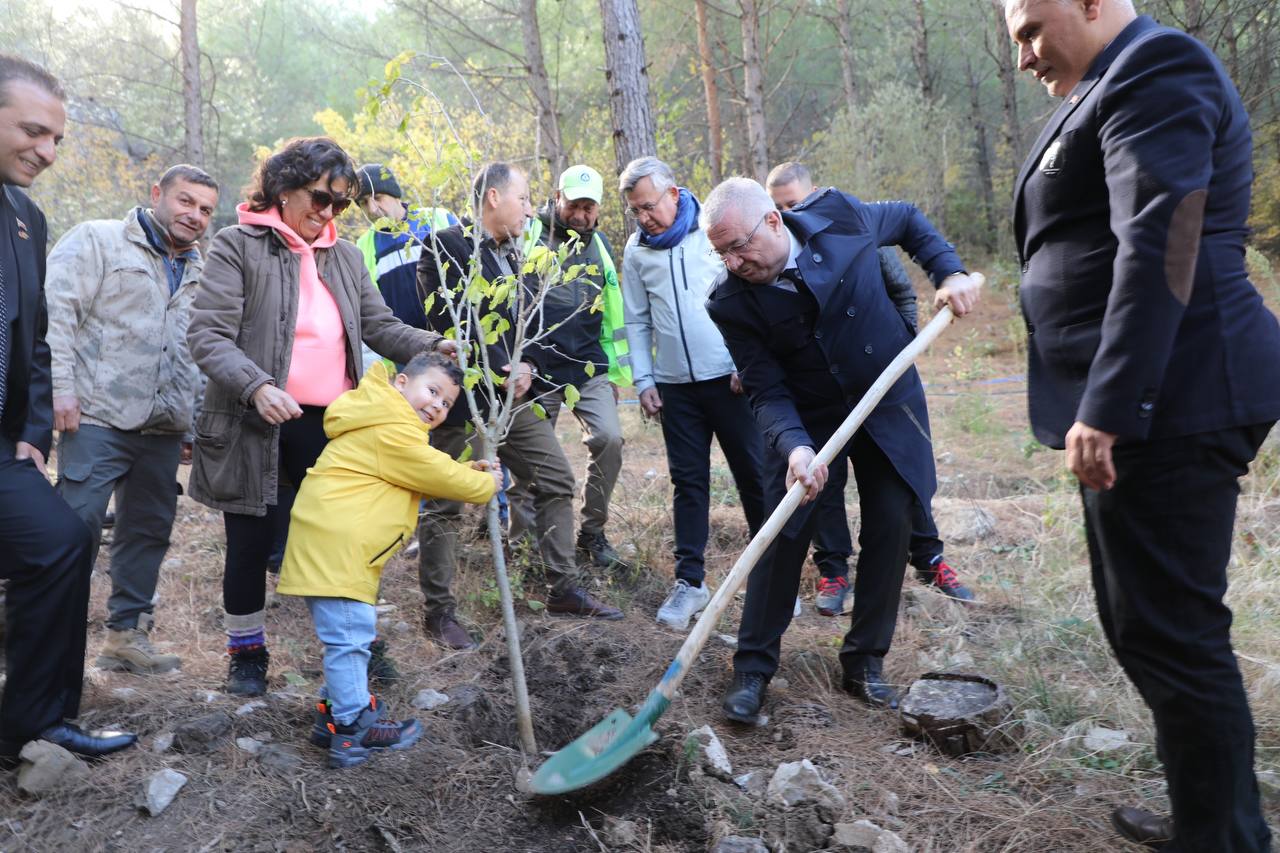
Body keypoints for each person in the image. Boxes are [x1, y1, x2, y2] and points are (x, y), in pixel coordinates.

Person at [1005, 1, 1280, 849]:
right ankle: (1210, 816)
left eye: (1030, 30)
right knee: (1147, 625)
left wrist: (1111, 404)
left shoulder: (1158, 69)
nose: (1024, 57)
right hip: (1157, 406)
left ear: (1091, 2)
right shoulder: (1106, 85)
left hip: (1177, 399)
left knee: (1175, 632)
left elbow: (1164, 238)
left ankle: (1226, 838)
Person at [701, 177, 981, 722]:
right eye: (721, 252)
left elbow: (905, 217)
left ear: (774, 222)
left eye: (739, 246)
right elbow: (764, 388)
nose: (733, 262)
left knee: (892, 521)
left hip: (884, 396)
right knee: (782, 534)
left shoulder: (839, 216)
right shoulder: (730, 303)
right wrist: (797, 450)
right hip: (807, 418)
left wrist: (947, 270)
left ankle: (864, 663)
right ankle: (753, 669)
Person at [187, 136, 447, 697]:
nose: (328, 213)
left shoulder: (345, 257)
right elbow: (207, 335)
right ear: (283, 189)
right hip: (254, 418)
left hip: (332, 425)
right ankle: (247, 655)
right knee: (251, 541)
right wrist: (256, 386)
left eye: (341, 204)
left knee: (344, 537)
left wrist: (434, 344)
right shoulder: (237, 246)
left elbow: (380, 327)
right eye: (320, 198)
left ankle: (359, 646)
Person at [415, 161, 623, 651]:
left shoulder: (523, 252)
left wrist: (527, 362)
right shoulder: (448, 246)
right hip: (462, 399)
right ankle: (439, 612)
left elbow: (527, 320)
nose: (531, 210)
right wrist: (502, 366)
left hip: (511, 400)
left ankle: (563, 587)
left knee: (554, 477)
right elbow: (451, 326)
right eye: (524, 199)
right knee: (444, 504)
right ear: (493, 199)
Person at [0, 54, 136, 760]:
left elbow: (35, 334)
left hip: (5, 449)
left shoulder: (24, 216)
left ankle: (33, 724)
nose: (48, 152)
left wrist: (31, 431)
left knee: (62, 541)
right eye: (33, 131)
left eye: (57, 137)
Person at [766, 161, 975, 612]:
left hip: (881, 379)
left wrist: (899, 347)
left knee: (901, 474)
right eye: (781, 208)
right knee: (826, 479)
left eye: (797, 202)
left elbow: (899, 291)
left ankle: (928, 555)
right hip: (824, 392)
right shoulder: (780, 261)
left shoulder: (851, 230)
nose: (791, 213)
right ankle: (834, 571)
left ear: (816, 193)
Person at [277, 353, 501, 768]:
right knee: (349, 638)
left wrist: (468, 467)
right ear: (401, 383)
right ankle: (352, 729)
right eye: (432, 391)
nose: (437, 405)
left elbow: (422, 469)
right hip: (340, 551)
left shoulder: (385, 420)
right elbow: (435, 474)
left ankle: (333, 715)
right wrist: (484, 483)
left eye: (447, 403)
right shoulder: (392, 427)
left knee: (346, 639)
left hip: (335, 545)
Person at [43, 164, 218, 674]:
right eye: (186, 202)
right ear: (156, 193)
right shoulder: (98, 241)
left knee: (148, 529)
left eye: (205, 209)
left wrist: (191, 421)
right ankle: (46, 630)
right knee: (74, 527)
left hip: (163, 428)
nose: (195, 216)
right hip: (96, 416)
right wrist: (60, 390)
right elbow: (56, 314)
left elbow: (199, 350)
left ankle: (126, 636)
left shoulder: (202, 270)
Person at [618, 156, 767, 631]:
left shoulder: (713, 233)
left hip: (729, 378)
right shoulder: (637, 251)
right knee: (689, 483)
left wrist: (749, 363)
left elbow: (749, 294)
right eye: (635, 210)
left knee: (754, 475)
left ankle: (770, 574)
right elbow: (636, 320)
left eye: (649, 206)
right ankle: (690, 583)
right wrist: (645, 380)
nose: (644, 217)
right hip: (674, 388)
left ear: (674, 194)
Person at [511, 164, 632, 570]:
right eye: (573, 204)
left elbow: (612, 313)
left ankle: (592, 532)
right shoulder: (528, 235)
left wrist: (614, 373)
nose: (580, 215)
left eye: (588, 207)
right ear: (557, 198)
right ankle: (524, 545)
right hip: (537, 368)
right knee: (529, 459)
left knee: (610, 440)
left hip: (587, 368)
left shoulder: (599, 247)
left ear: (598, 209)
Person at [354, 163, 458, 331]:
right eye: (363, 202)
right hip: (405, 349)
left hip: (455, 339)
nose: (372, 208)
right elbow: (371, 309)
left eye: (378, 197)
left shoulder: (438, 218)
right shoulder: (363, 246)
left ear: (395, 195)